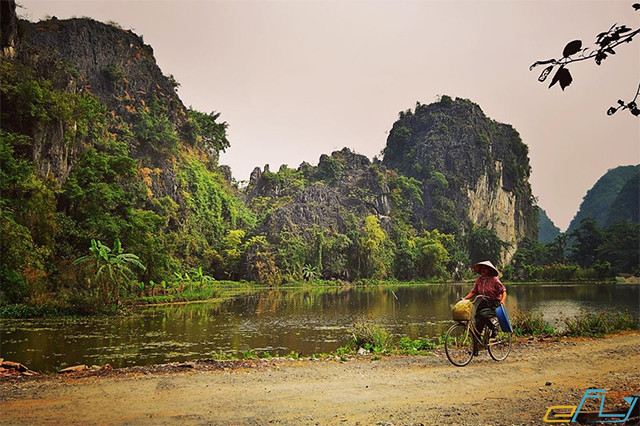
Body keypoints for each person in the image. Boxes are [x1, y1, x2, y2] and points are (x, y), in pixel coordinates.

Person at [463, 260, 506, 348]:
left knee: (483, 314)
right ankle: (476, 348)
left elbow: (503, 291)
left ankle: (494, 328)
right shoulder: (479, 280)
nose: (483, 270)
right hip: (484, 303)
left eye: (485, 268)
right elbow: (473, 292)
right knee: (477, 322)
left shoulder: (494, 280)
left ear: (489, 270)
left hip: (494, 303)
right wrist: (464, 299)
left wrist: (503, 301)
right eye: (482, 268)